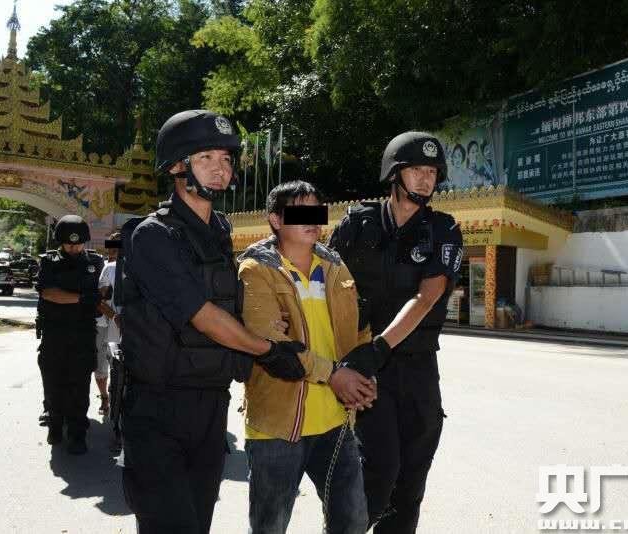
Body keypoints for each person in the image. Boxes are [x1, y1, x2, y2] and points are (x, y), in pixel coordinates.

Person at [119, 109, 308, 534]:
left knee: (198, 522)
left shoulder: (219, 231)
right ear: (176, 166)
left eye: (225, 159)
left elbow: (235, 304)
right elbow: (202, 316)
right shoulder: (152, 235)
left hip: (210, 404)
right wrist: (268, 351)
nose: (220, 169)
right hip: (158, 408)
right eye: (206, 158)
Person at [328, 131, 464, 533]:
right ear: (394, 173)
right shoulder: (356, 223)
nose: (425, 178)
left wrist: (380, 346)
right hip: (368, 370)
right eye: (416, 169)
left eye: (432, 172)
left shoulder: (443, 229)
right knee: (378, 471)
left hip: (417, 370)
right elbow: (324, 281)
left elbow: (427, 296)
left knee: (410, 488)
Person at [238, 181, 377, 534]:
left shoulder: (335, 267)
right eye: (300, 211)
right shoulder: (256, 270)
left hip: (335, 420)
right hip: (277, 425)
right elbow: (270, 341)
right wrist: (335, 375)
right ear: (275, 220)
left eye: (317, 211)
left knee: (352, 521)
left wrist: (362, 376)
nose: (312, 220)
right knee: (270, 527)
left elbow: (359, 327)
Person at [36, 215, 104, 455]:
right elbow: (49, 293)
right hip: (55, 333)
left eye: (78, 243)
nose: (74, 247)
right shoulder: (49, 262)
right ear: (60, 241)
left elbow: (104, 293)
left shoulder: (96, 263)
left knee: (80, 385)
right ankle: (55, 425)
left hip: (83, 333)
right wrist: (82, 298)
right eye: (69, 243)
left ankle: (77, 434)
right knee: (54, 383)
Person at [94, 233, 120, 417]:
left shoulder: (134, 267)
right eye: (111, 247)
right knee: (101, 363)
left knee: (118, 364)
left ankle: (116, 397)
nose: (113, 251)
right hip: (103, 323)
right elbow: (98, 300)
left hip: (122, 325)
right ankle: (105, 397)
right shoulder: (106, 267)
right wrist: (114, 316)